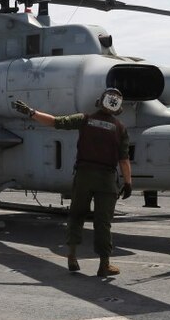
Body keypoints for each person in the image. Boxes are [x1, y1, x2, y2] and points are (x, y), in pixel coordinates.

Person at [13, 88, 133, 277]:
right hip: (106, 179)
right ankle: (104, 265)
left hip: (84, 176)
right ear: (117, 107)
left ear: (100, 101)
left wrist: (31, 112)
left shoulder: (84, 119)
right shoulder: (120, 128)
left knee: (76, 215)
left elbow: (55, 122)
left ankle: (72, 257)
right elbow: (124, 160)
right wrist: (127, 183)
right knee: (103, 222)